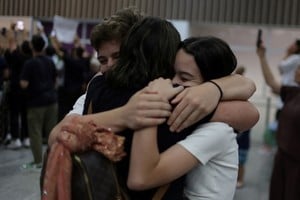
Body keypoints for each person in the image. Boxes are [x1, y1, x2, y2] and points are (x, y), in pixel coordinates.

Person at [77, 17, 258, 199]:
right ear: (170, 58)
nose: (175, 81)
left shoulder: (97, 85)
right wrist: (214, 89)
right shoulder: (171, 102)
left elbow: (62, 130)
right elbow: (249, 114)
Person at [127, 36, 258, 200]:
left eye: (184, 78)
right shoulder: (199, 119)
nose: (173, 82)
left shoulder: (217, 130)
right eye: (172, 73)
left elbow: (142, 178)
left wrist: (152, 100)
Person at [257, 43, 300, 200]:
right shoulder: (293, 93)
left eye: (299, 69)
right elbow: (272, 83)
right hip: (282, 157)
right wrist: (262, 57)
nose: (296, 71)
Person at [20, 34, 58, 169]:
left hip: (35, 102)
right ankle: (54, 160)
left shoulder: (29, 63)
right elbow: (55, 82)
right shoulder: (50, 61)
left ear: (31, 46)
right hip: (52, 100)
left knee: (35, 132)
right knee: (52, 132)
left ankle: (38, 161)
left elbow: (24, 84)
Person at [234, 65, 252, 188]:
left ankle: (240, 179)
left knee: (240, 163)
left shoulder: (246, 107)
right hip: (238, 141)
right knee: (237, 163)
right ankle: (238, 179)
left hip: (242, 142)